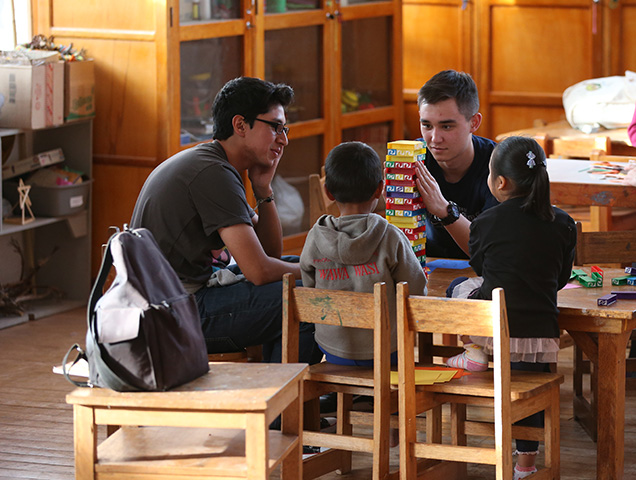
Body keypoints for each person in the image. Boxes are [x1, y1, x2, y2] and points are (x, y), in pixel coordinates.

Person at [130, 76, 322, 366]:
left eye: (285, 129)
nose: (284, 139)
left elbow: (268, 255)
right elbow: (258, 270)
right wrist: (323, 271)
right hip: (170, 316)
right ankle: (284, 407)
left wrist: (263, 191)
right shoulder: (212, 173)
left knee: (295, 267)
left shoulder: (214, 164)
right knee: (311, 297)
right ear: (240, 125)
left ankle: (278, 400)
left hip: (173, 304)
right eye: (275, 127)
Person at [444, 136, 576, 479]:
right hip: (540, 334)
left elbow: (481, 267)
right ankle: (524, 467)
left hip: (493, 330)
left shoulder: (486, 222)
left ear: (499, 182)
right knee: (527, 395)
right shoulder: (562, 223)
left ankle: (473, 351)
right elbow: (560, 279)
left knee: (457, 287)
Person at [300, 141, 428, 446]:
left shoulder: (315, 238)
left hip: (334, 351)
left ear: (329, 193)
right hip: (387, 355)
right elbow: (417, 288)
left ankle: (351, 417)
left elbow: (307, 289)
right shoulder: (389, 235)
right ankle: (393, 430)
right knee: (400, 339)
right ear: (380, 190)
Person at [414, 70, 498, 259]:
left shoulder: (498, 164)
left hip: (483, 275)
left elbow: (489, 252)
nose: (435, 139)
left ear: (474, 123)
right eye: (427, 125)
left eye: (446, 126)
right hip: (426, 270)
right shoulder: (413, 157)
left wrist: (445, 211)